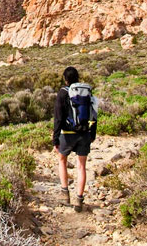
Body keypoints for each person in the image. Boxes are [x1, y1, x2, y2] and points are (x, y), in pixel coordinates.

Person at [53, 66, 97, 212]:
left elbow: (58, 117)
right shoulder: (86, 91)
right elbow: (94, 113)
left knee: (62, 160)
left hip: (67, 134)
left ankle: (65, 194)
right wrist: (92, 134)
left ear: (65, 79)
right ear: (77, 77)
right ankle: (79, 199)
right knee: (81, 166)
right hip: (84, 133)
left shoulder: (63, 93)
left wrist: (55, 138)